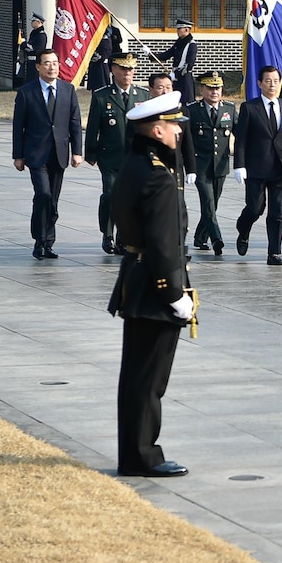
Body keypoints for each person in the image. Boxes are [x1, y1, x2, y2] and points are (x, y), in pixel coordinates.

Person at [107, 90, 191, 478]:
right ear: (158, 130)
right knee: (148, 379)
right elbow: (163, 240)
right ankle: (142, 456)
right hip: (153, 287)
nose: (178, 133)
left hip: (137, 278)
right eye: (174, 126)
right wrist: (174, 293)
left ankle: (134, 453)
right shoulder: (157, 175)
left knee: (138, 375)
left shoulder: (137, 164)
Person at [12, 48, 83, 259]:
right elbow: (19, 126)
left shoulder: (68, 90)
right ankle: (38, 238)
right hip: (36, 154)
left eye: (54, 63)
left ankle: (48, 241)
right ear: (38, 66)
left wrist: (77, 151)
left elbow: (75, 123)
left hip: (58, 153)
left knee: (53, 200)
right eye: (46, 63)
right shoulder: (26, 92)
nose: (51, 67)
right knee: (42, 194)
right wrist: (18, 155)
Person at [87, 53, 150, 254]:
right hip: (110, 157)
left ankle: (124, 237)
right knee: (110, 196)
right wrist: (90, 153)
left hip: (135, 158)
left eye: (131, 69)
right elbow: (93, 128)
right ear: (113, 70)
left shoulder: (143, 96)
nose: (127, 73)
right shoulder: (101, 95)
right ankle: (107, 234)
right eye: (123, 69)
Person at [232, 66, 282, 265]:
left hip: (279, 168)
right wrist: (239, 165)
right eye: (268, 81)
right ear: (260, 83)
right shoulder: (250, 108)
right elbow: (241, 139)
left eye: (275, 80)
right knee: (255, 208)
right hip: (256, 167)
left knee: (277, 211)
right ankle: (243, 228)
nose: (272, 84)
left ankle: (274, 252)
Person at [187, 71, 238, 255]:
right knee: (208, 202)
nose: (214, 91)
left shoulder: (229, 109)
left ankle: (200, 238)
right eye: (210, 88)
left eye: (217, 87)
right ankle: (216, 239)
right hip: (200, 166)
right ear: (202, 89)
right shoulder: (192, 109)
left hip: (220, 166)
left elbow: (239, 135)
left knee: (213, 204)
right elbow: (185, 139)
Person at [154, 19, 197, 104]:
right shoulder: (178, 43)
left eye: (179, 29)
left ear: (186, 29)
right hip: (175, 78)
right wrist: (151, 55)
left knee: (185, 104)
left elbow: (189, 65)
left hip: (185, 79)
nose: (177, 31)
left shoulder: (192, 45)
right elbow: (167, 54)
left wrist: (176, 74)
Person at [86, 24, 121, 91]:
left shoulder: (110, 33)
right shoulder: (95, 33)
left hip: (108, 61)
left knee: (108, 84)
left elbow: (109, 48)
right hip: (98, 63)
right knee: (98, 86)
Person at [24, 13, 47, 83]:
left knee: (34, 80)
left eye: (33, 21)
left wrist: (26, 45)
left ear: (38, 22)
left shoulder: (41, 35)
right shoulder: (34, 33)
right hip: (30, 60)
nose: (31, 23)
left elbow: (38, 49)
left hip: (36, 60)